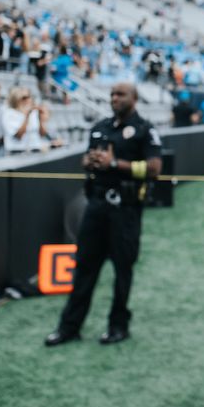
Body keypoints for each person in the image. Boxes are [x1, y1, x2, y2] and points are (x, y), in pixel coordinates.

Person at [45, 83, 163, 346]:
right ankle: (69, 327)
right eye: (111, 94)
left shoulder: (145, 130)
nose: (114, 99)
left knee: (123, 271)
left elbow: (155, 168)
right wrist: (88, 163)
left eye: (120, 95)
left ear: (133, 98)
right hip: (96, 208)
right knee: (84, 269)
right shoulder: (100, 127)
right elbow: (88, 160)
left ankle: (118, 326)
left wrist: (115, 164)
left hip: (126, 211)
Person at [2, 86, 64, 154]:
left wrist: (40, 119)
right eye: (24, 98)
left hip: (34, 149)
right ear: (16, 99)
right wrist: (27, 116)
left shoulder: (33, 112)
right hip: (17, 151)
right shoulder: (9, 113)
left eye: (29, 97)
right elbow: (18, 136)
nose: (28, 100)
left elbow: (42, 134)